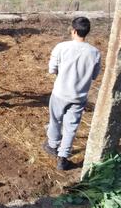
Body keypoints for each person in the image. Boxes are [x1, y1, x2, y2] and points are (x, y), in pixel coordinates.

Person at [43, 17, 101, 171]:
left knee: (55, 120)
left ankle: (52, 144)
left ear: (73, 30)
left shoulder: (61, 47)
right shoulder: (95, 53)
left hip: (60, 93)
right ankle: (63, 158)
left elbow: (52, 69)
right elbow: (94, 75)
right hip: (79, 97)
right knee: (71, 127)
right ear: (86, 32)